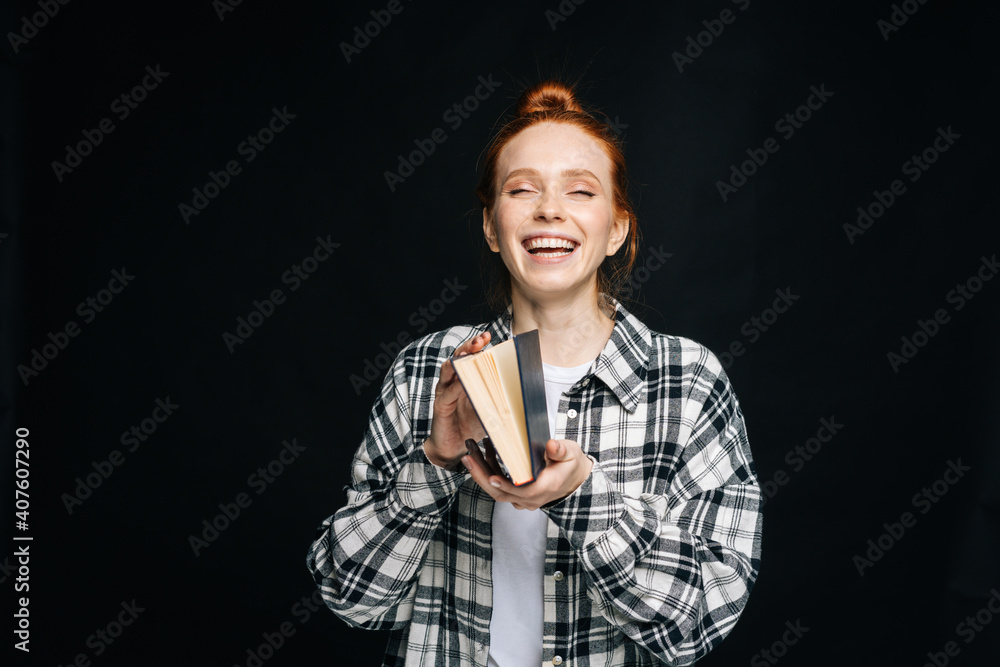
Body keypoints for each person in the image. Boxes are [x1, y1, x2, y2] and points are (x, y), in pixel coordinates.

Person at [306, 79, 762, 666]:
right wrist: (436, 465)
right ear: (494, 227)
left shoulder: (688, 379)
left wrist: (583, 499)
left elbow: (699, 623)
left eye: (580, 191)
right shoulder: (428, 369)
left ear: (615, 230)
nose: (550, 209)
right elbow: (352, 599)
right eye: (523, 190)